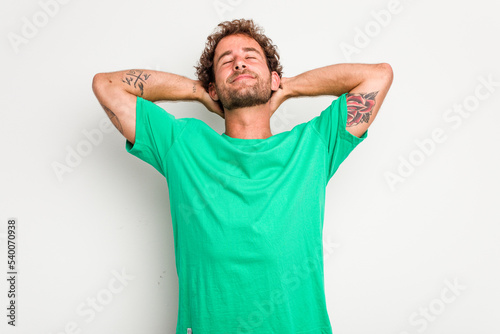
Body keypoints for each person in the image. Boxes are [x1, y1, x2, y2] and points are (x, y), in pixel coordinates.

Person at [92, 18, 392, 334]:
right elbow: (107, 86)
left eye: (250, 57)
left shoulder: (312, 144)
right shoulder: (182, 144)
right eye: (227, 61)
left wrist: (289, 86)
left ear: (274, 77)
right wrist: (197, 92)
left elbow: (378, 75)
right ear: (213, 87)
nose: (239, 64)